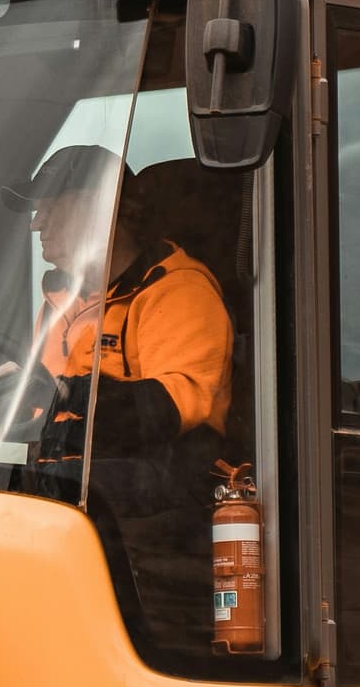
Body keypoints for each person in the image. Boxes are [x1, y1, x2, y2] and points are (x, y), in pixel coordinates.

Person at [25, 147, 235, 463]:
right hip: (59, 486)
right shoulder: (61, 298)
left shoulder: (179, 291)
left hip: (151, 496)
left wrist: (70, 396)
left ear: (102, 209)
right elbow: (41, 409)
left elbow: (170, 410)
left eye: (51, 209)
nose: (36, 224)